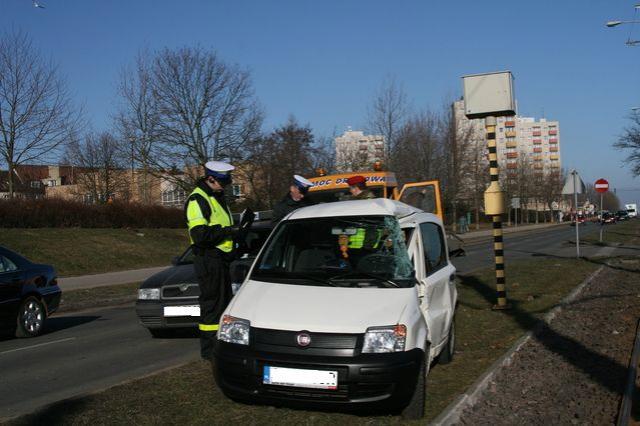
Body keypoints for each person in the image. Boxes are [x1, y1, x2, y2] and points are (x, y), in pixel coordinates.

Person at [185, 161, 236, 360]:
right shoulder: (198, 199)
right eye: (222, 181)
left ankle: (220, 348)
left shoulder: (215, 196)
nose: (225, 185)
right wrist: (227, 232)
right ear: (210, 178)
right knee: (212, 308)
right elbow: (200, 235)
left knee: (222, 306)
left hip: (219, 260)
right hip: (208, 260)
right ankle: (210, 352)